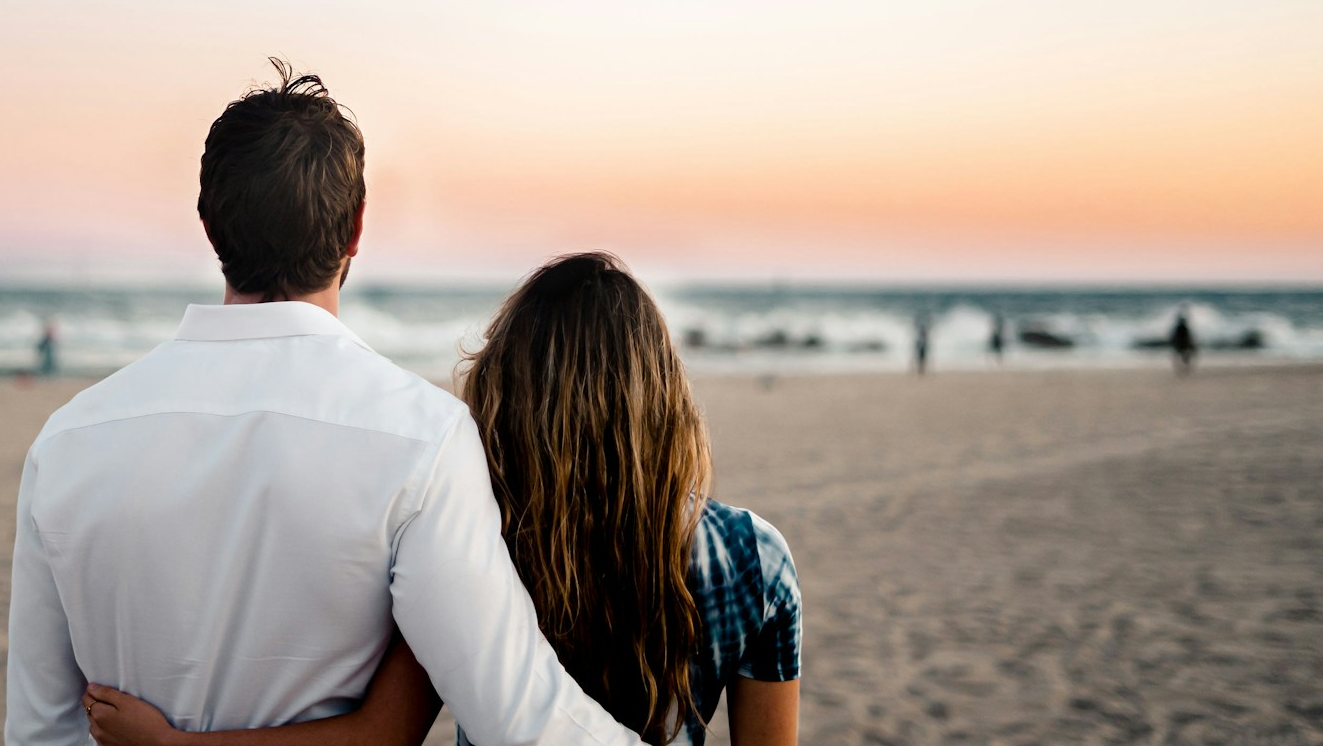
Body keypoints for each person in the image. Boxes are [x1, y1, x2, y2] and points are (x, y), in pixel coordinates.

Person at [5, 62, 643, 746]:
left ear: (210, 224)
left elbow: (42, 730)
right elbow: (519, 717)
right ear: (356, 228)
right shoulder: (419, 438)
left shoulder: (70, 440)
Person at [82, 253, 801, 746]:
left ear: (511, 396)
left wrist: (174, 744)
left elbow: (380, 736)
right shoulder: (755, 560)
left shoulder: (479, 536)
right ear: (663, 396)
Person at [1169, 306, 1196, 375]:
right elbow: (1188, 336)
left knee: (1182, 357)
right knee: (1184, 357)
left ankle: (1182, 368)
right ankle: (1184, 368)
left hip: (1181, 344)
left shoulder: (1180, 328)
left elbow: (1174, 336)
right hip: (1183, 344)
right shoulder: (1183, 328)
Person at [913, 312, 930, 376]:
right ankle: (920, 370)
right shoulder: (921, 334)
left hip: (922, 346)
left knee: (922, 359)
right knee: (920, 359)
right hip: (920, 346)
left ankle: (921, 370)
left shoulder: (923, 334)